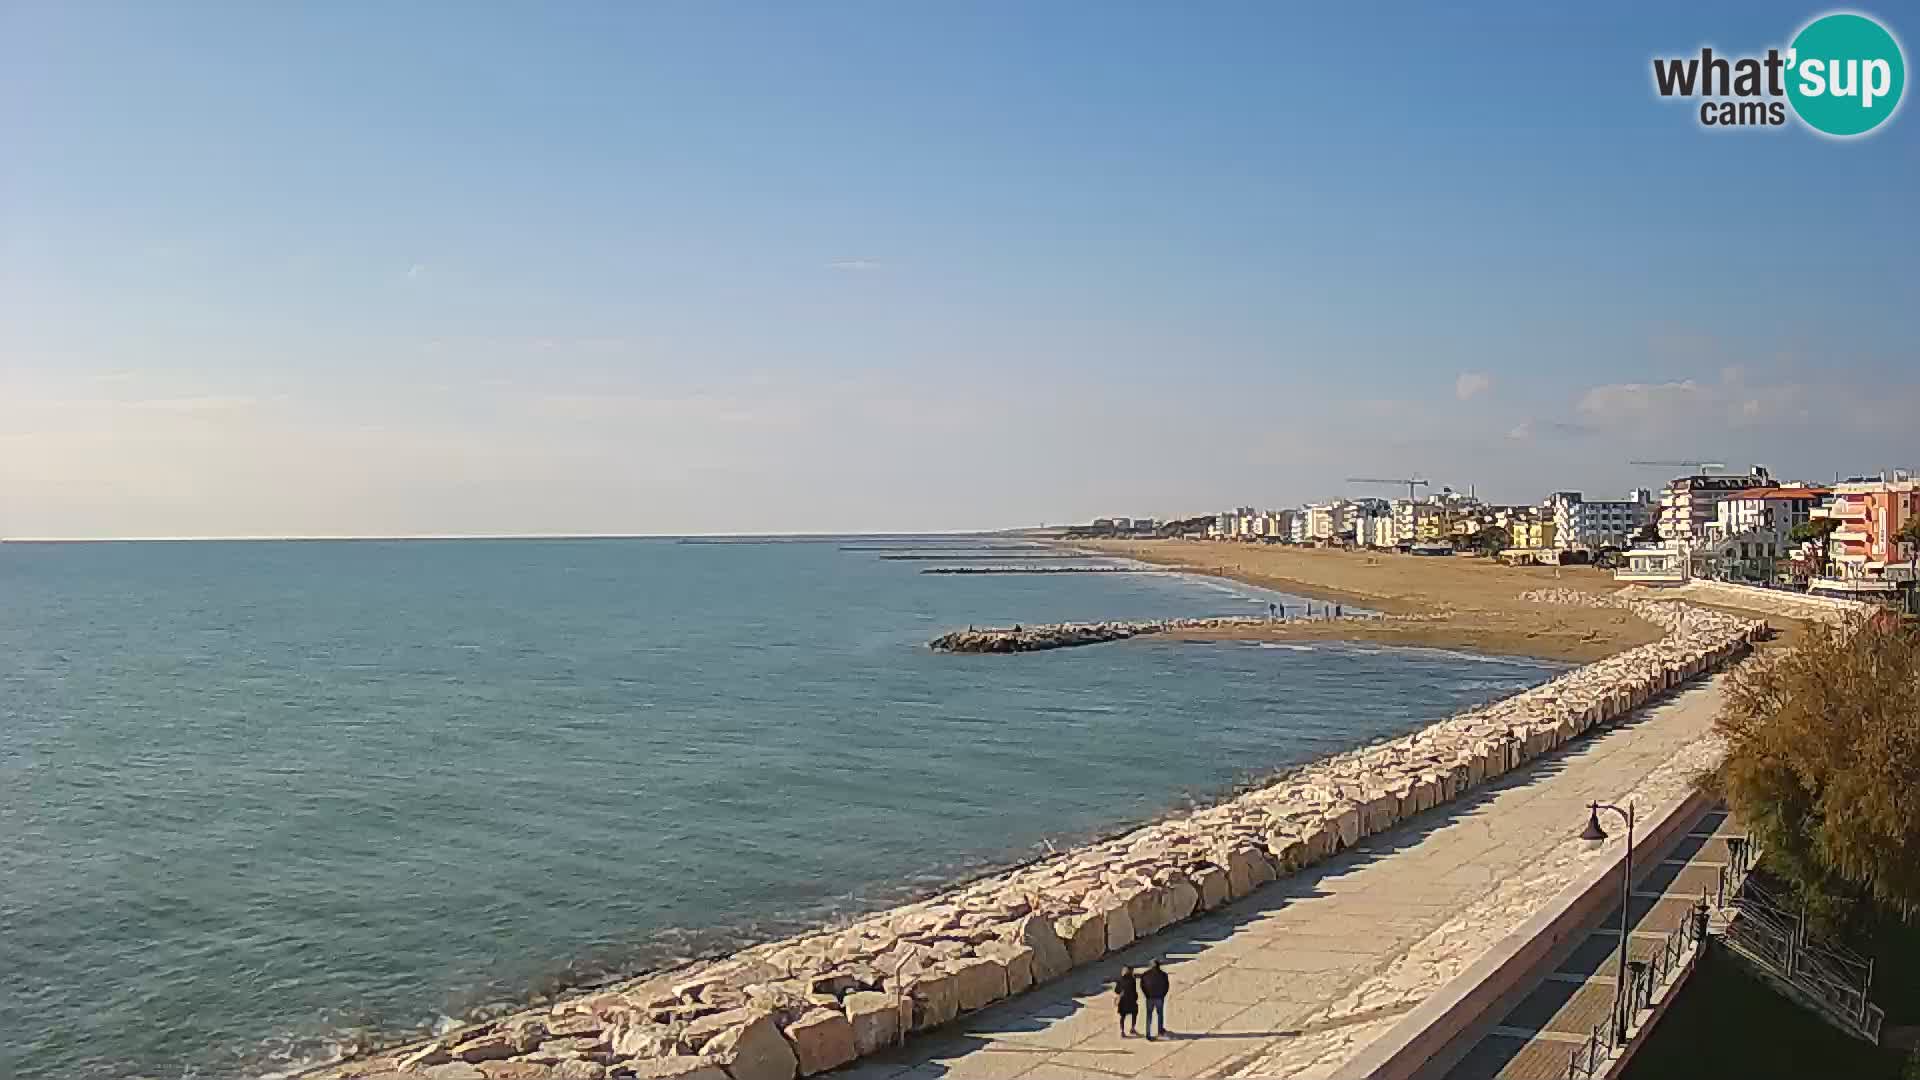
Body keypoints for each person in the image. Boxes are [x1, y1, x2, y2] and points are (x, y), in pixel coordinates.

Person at [1140, 959, 1170, 1040]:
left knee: (1149, 1016)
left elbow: (1142, 986)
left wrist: (1146, 995)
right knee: (1160, 1014)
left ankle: (1148, 1033)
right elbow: (1166, 986)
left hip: (1149, 998)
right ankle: (1160, 1030)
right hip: (1159, 997)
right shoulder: (1163, 975)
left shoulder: (1145, 975)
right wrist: (1162, 995)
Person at [1114, 964, 1139, 1037]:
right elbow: (1134, 991)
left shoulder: (1120, 979)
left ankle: (1122, 1031)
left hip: (1123, 1001)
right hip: (1131, 1000)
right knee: (1135, 1012)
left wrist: (1121, 991)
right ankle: (1132, 1028)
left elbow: (1116, 990)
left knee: (1123, 1016)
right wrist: (1135, 997)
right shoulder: (1132, 980)